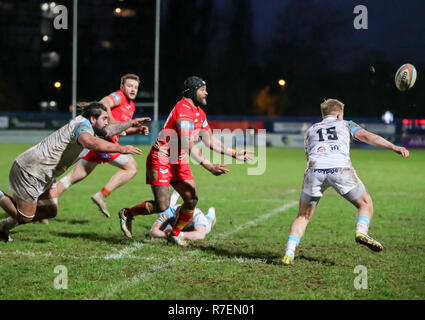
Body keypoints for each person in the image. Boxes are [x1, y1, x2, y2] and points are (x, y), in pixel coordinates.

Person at [118, 76, 253, 246]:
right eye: (203, 89)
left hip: (178, 159)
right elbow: (187, 143)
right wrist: (209, 166)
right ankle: (128, 213)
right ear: (193, 90)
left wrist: (234, 153)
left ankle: (175, 234)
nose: (206, 93)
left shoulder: (199, 113)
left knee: (191, 199)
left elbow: (209, 140)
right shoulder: (183, 109)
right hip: (161, 157)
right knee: (162, 205)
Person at [282, 98, 409, 265]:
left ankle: (289, 253)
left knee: (303, 216)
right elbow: (365, 136)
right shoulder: (345, 124)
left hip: (314, 170)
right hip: (340, 169)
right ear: (339, 114)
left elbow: (308, 155)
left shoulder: (311, 129)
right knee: (365, 203)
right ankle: (361, 231)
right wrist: (394, 147)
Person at [0, 102, 150, 242]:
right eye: (104, 118)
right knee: (25, 216)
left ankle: (2, 228)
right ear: (93, 118)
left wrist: (131, 124)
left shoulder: (89, 125)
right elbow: (90, 142)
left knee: (50, 211)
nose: (107, 122)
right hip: (31, 170)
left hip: (46, 173)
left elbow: (108, 130)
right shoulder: (82, 126)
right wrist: (122, 148)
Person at [54, 74, 148, 219]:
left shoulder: (131, 106)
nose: (133, 89)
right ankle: (102, 195)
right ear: (122, 87)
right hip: (104, 143)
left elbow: (120, 130)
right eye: (129, 86)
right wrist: (116, 123)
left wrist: (136, 130)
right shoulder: (119, 96)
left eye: (136, 87)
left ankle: (45, 204)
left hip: (101, 143)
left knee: (74, 176)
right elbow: (103, 103)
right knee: (131, 167)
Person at [149, 190, 216, 241]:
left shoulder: (197, 215)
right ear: (176, 215)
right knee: (167, 227)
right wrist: (168, 235)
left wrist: (179, 235)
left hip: (194, 226)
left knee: (208, 225)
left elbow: (200, 235)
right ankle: (176, 192)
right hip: (172, 220)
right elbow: (153, 232)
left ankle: (211, 214)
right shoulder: (169, 213)